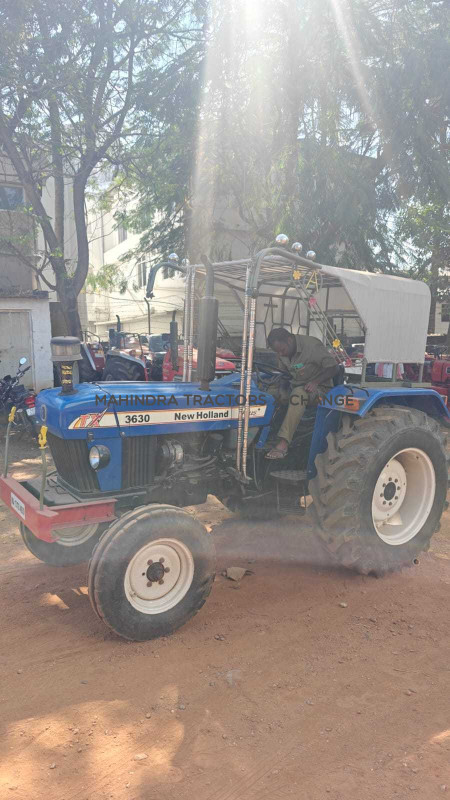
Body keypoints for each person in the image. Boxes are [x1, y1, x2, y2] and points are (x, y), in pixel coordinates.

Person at [265, 327, 338, 459]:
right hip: (294, 386)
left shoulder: (312, 346)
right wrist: (281, 390)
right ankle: (264, 434)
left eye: (282, 350)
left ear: (289, 340)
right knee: (267, 394)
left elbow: (333, 367)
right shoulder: (282, 352)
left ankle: (283, 443)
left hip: (319, 390)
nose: (280, 354)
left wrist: (316, 382)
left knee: (298, 395)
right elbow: (284, 374)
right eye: (277, 352)